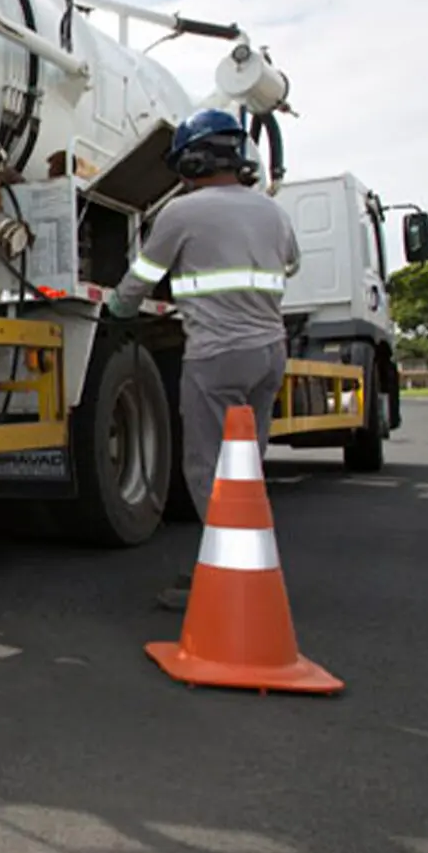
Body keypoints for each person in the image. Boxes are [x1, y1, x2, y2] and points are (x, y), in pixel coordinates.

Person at [107, 108, 300, 610]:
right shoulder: (272, 212)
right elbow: (292, 262)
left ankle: (220, 571)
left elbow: (142, 276)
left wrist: (117, 309)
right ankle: (249, 562)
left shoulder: (183, 213)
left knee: (207, 467)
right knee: (247, 463)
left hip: (216, 356)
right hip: (269, 352)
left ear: (191, 162)